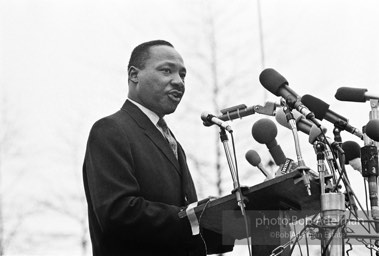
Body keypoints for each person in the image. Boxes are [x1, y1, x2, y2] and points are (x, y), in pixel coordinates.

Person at [82, 40, 233, 256]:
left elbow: (183, 234)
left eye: (183, 75)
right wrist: (194, 215)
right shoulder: (110, 130)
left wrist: (239, 225)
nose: (179, 82)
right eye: (166, 71)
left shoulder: (173, 144)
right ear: (134, 75)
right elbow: (118, 213)